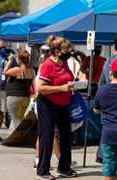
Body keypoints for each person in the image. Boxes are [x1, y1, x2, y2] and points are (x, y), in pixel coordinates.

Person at [36, 35, 77, 179]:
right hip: (47, 104)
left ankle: (64, 167)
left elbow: (68, 80)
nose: (70, 52)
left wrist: (76, 84)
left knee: (66, 135)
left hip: (63, 104)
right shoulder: (48, 64)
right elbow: (40, 88)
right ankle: (43, 170)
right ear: (57, 51)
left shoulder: (64, 63)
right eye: (67, 50)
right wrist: (61, 88)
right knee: (47, 136)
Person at [4, 48, 35, 132]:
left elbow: (5, 72)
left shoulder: (18, 70)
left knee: (16, 120)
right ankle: (13, 137)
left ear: (19, 59)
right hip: (25, 98)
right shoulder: (31, 70)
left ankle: (19, 139)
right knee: (19, 119)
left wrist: (10, 61)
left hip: (15, 98)